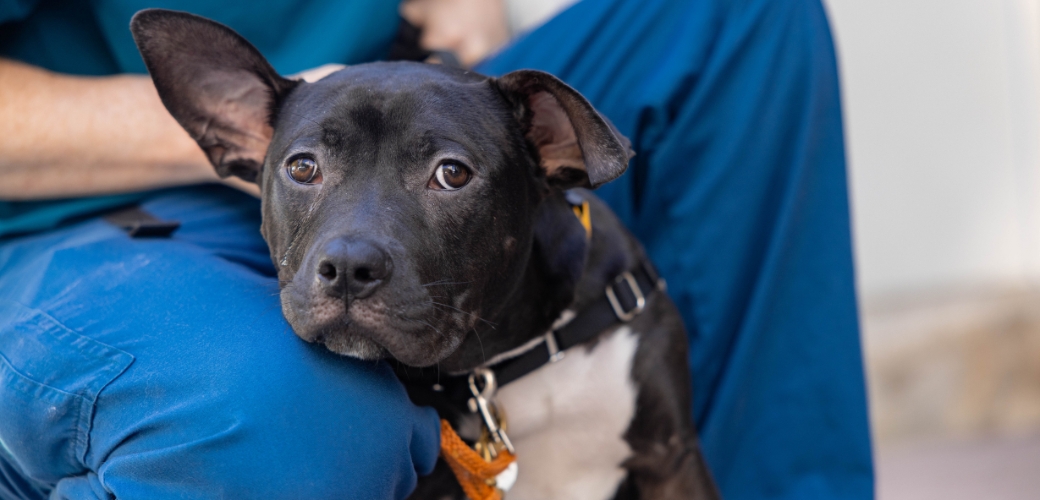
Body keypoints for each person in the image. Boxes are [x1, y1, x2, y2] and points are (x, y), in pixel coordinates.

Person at [0, 0, 873, 499]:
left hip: (416, 112)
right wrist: (287, 132)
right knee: (284, 420)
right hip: (106, 210)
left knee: (742, 18)